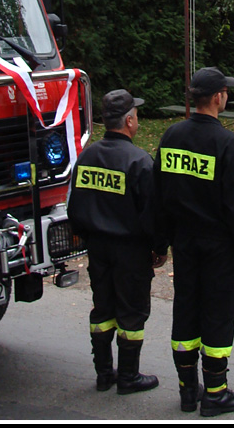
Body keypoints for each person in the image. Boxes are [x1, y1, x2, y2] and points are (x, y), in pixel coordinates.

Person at [155, 67, 234, 417]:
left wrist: (160, 243)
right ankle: (215, 394)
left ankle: (188, 391)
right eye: (225, 91)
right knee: (216, 316)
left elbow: (160, 195)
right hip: (219, 247)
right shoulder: (226, 143)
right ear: (217, 98)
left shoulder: (171, 136)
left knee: (185, 311)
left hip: (183, 243)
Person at [67, 90, 168, 394]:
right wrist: (159, 248)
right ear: (128, 120)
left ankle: (103, 374)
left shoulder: (87, 156)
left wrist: (88, 237)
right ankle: (128, 376)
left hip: (97, 248)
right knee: (132, 312)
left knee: (103, 309)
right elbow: (153, 212)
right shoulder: (139, 161)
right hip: (131, 250)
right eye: (135, 115)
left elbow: (75, 206)